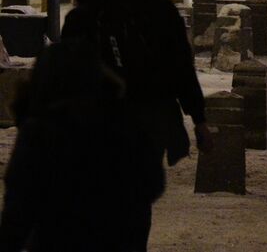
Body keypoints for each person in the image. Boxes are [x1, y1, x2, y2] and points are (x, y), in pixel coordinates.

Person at [58, 0, 213, 250]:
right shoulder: (159, 10)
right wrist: (199, 118)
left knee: (99, 190)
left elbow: (67, 71)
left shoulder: (84, 16)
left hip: (97, 118)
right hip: (150, 116)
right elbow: (181, 66)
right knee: (137, 193)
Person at [0, 40, 165, 252]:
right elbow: (152, 183)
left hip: (55, 240)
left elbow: (19, 204)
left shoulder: (40, 131)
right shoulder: (125, 123)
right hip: (119, 239)